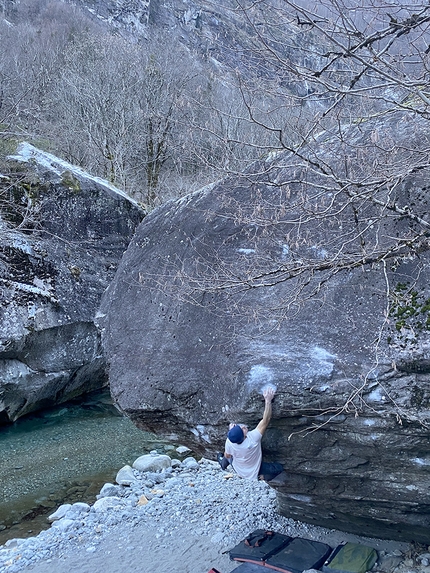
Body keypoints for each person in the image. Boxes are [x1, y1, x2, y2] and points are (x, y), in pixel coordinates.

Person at [217, 386, 283, 481]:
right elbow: (266, 420)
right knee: (278, 468)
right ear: (244, 437)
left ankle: (222, 465)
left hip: (238, 468)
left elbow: (227, 455)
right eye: (242, 429)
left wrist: (232, 431)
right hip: (255, 470)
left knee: (226, 457)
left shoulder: (230, 441)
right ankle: (264, 477)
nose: (243, 427)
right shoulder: (253, 439)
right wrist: (268, 400)